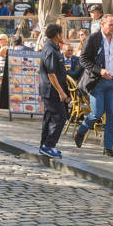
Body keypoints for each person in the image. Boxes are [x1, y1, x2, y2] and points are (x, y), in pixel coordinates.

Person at [73, 14, 113, 158]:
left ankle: (108, 148)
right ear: (102, 25)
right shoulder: (93, 39)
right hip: (97, 81)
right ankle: (81, 130)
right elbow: (83, 59)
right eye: (110, 25)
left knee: (112, 115)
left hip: (112, 82)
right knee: (97, 113)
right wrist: (99, 70)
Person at [38, 23, 69, 159]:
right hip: (52, 91)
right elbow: (51, 74)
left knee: (50, 117)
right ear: (57, 34)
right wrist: (61, 92)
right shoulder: (50, 50)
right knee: (60, 117)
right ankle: (49, 145)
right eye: (62, 33)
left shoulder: (53, 48)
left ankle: (45, 145)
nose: (63, 36)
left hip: (51, 90)